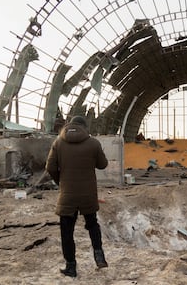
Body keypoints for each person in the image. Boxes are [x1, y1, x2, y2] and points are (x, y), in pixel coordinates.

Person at [45, 115, 109, 278]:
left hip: (67, 194)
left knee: (67, 231)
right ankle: (99, 255)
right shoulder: (93, 143)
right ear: (84, 127)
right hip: (88, 193)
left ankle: (71, 267)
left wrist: (61, 181)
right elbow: (103, 164)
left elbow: (50, 166)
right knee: (92, 224)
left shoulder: (58, 142)